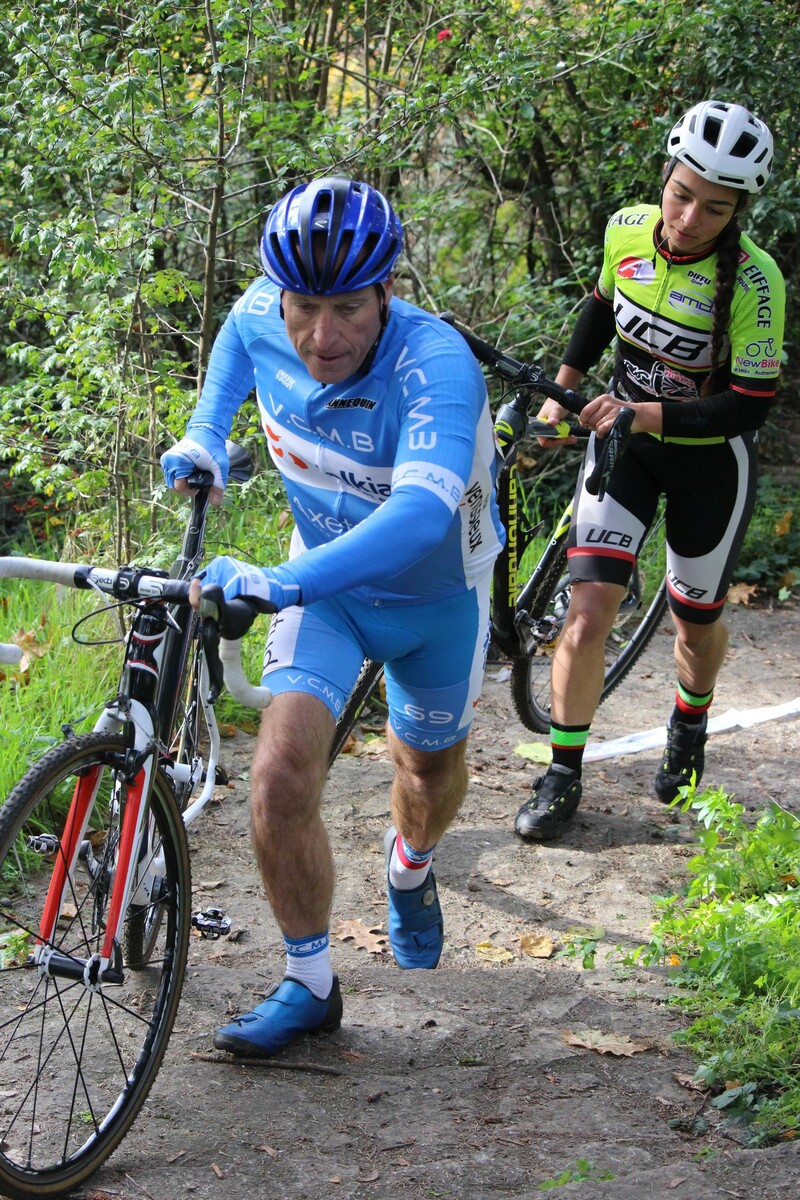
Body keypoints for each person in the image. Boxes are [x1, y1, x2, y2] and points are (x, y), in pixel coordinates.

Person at [161, 176, 504, 1055]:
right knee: (279, 776)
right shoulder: (261, 312)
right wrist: (205, 434)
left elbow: (420, 518)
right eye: (305, 308)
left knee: (425, 772)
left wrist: (280, 582)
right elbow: (237, 346)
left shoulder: (435, 364)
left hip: (437, 601)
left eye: (348, 308)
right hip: (329, 596)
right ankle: (310, 982)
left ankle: (410, 865)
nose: (323, 336)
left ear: (386, 291)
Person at [514, 99, 785, 842]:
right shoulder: (627, 228)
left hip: (709, 465)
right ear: (665, 176)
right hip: (625, 446)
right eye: (681, 194)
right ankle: (562, 772)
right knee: (587, 610)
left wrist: (641, 412)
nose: (690, 218)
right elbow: (602, 309)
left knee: (695, 624)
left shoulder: (757, 283)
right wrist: (561, 395)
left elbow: (748, 406)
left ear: (738, 212)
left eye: (714, 208)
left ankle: (689, 721)